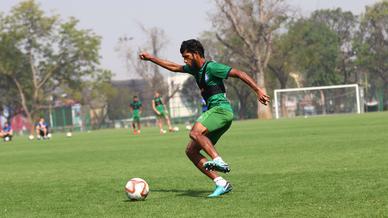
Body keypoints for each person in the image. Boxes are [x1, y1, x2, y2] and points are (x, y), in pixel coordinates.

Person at [139, 39, 270, 197]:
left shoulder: (212, 67)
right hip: (217, 114)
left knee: (194, 133)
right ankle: (221, 183)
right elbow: (173, 67)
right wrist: (151, 58)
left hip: (221, 110)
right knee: (191, 151)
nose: (184, 60)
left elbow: (239, 73)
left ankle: (218, 160)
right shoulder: (195, 70)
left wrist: (259, 90)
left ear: (195, 54)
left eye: (186, 56)